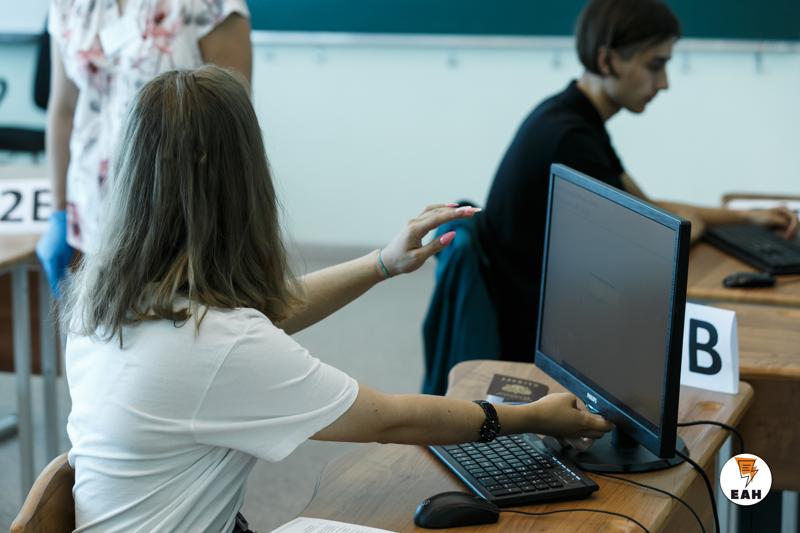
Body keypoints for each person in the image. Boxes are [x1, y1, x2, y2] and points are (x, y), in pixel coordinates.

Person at [60, 66, 613, 532]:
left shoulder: (108, 302)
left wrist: (381, 264)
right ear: (240, 182)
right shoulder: (214, 345)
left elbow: (264, 310)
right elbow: (388, 420)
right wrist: (530, 417)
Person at [475, 0, 799, 360]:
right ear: (607, 61)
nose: (664, 83)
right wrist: (695, 226)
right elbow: (649, 249)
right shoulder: (569, 139)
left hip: (554, 310)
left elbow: (647, 206)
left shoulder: (574, 116)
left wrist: (747, 217)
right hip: (541, 338)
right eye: (654, 66)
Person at [37, 0, 252, 297]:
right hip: (91, 215)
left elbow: (232, 123)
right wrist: (59, 212)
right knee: (97, 322)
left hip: (178, 216)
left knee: (179, 319)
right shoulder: (69, 4)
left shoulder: (212, 5)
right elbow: (63, 108)